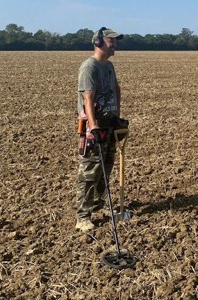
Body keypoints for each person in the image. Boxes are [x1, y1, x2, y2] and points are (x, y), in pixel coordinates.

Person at [75, 27, 125, 232]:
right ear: (98, 42)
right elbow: (87, 97)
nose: (115, 43)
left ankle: (97, 204)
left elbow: (116, 89)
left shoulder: (109, 66)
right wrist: (93, 126)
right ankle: (82, 216)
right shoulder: (90, 67)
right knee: (90, 170)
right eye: (111, 40)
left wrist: (118, 117)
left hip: (110, 123)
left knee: (106, 167)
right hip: (94, 126)